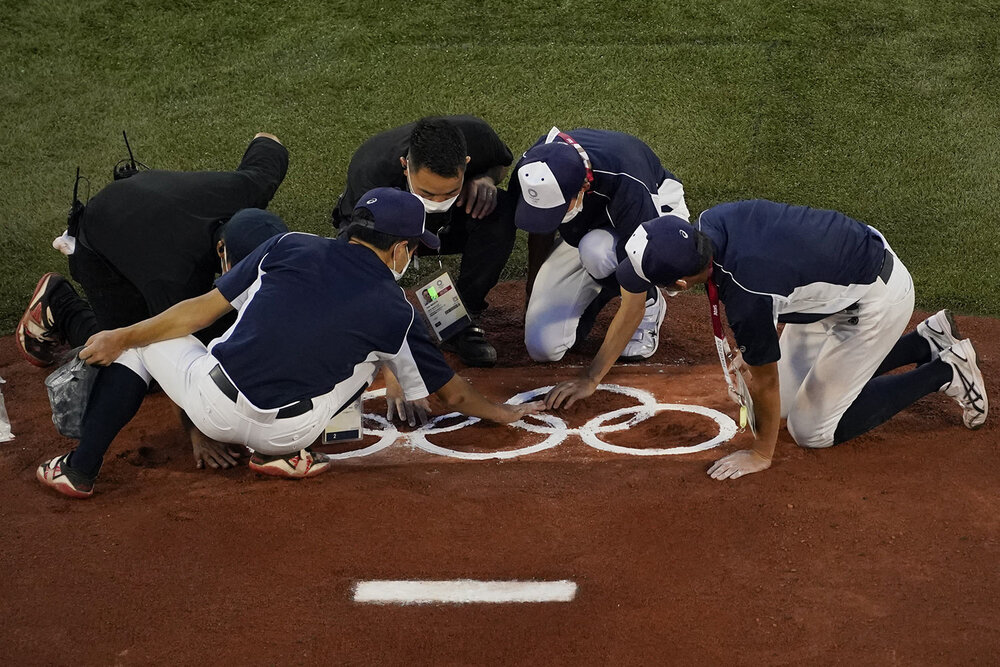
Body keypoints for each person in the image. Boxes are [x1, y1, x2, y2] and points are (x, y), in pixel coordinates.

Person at [36, 188, 544, 499]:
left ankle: (79, 471)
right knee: (369, 362)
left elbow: (199, 311)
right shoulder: (399, 311)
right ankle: (285, 456)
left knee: (144, 342)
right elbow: (450, 396)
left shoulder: (286, 245)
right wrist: (502, 414)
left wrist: (122, 336)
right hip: (290, 432)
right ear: (401, 248)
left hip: (212, 404)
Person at [613, 201, 989, 480]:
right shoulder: (712, 222)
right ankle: (923, 343)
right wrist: (750, 349)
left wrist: (761, 454)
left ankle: (944, 371)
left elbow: (765, 378)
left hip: (875, 301)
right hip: (834, 281)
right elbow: (774, 272)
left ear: (679, 284)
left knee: (811, 430)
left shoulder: (748, 295)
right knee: (784, 408)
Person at [17, 133, 290, 470]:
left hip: (153, 206)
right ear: (222, 252)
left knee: (222, 318)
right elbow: (165, 334)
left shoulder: (250, 192)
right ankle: (60, 304)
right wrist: (197, 432)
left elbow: (269, 142)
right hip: (103, 237)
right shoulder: (176, 275)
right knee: (137, 360)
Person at [511, 127, 689, 408]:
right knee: (543, 347)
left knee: (596, 251)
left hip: (654, 222)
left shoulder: (628, 181)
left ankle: (653, 305)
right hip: (586, 227)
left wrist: (590, 378)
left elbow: (640, 260)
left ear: (583, 187)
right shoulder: (533, 168)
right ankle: (596, 294)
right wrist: (531, 289)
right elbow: (540, 227)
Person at [332, 116, 516, 368]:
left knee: (500, 209)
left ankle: (462, 319)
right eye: (427, 193)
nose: (438, 200)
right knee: (353, 274)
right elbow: (363, 242)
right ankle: (367, 325)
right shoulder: (372, 169)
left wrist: (486, 179)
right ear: (404, 166)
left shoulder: (479, 137)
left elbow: (500, 165)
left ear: (466, 163)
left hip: (448, 225)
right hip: (383, 225)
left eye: (449, 191)